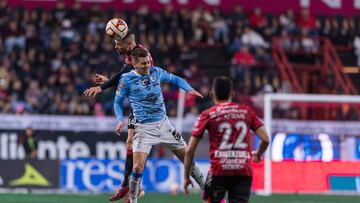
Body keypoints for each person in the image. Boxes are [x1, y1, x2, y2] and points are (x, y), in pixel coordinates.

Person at [114, 47, 205, 203]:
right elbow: (117, 102)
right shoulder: (126, 79)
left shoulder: (156, 71)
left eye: (148, 62)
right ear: (134, 64)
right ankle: (133, 200)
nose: (147, 66)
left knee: (188, 161)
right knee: (137, 168)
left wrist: (189, 89)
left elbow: (176, 79)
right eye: (143, 64)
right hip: (143, 129)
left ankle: (211, 195)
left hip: (164, 125)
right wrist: (120, 119)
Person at [84, 30, 153, 201]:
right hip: (139, 107)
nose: (115, 46)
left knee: (138, 150)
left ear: (128, 43)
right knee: (131, 144)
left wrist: (102, 87)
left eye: (118, 43)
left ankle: (134, 188)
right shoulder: (131, 55)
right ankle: (127, 186)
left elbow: (125, 75)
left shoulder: (138, 54)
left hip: (149, 109)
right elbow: (127, 80)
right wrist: (108, 80)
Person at [183, 76, 270, 203]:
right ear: (232, 94)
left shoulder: (208, 114)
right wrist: (258, 154)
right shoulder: (246, 112)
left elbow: (190, 150)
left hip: (219, 171)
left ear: (212, 94)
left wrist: (186, 176)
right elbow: (266, 139)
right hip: (243, 171)